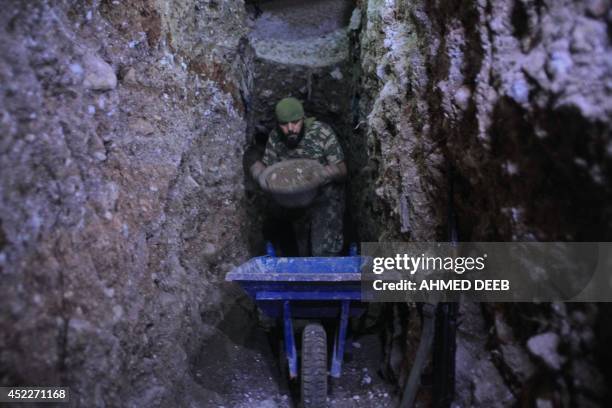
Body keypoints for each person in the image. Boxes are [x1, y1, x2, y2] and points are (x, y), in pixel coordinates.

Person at [250, 97, 347, 256]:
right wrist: (258, 171)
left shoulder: (322, 132)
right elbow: (268, 170)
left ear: (303, 119)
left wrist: (323, 173)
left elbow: (343, 171)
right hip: (291, 199)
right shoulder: (275, 137)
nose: (290, 129)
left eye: (295, 122)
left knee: (323, 253)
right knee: (291, 253)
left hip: (322, 196)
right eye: (284, 124)